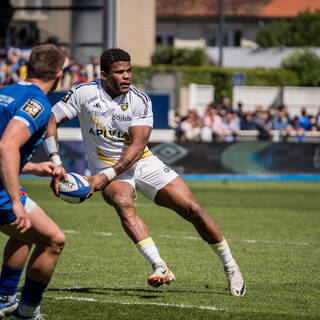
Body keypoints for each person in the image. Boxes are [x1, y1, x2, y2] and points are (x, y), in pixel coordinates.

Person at [45, 48, 245, 296]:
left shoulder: (140, 100)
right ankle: (160, 266)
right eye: (120, 72)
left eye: (129, 71)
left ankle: (231, 266)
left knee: (193, 210)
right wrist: (55, 161)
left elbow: (138, 147)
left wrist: (104, 177)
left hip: (141, 162)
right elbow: (50, 119)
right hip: (106, 167)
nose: (126, 76)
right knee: (121, 201)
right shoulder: (84, 93)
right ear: (104, 74)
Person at [0, 44, 66, 320]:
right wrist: (16, 201)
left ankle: (5, 299)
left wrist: (34, 167)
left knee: (23, 234)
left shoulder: (6, 91)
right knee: (54, 240)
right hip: (2, 193)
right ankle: (27, 312)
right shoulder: (37, 102)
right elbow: (6, 147)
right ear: (60, 74)